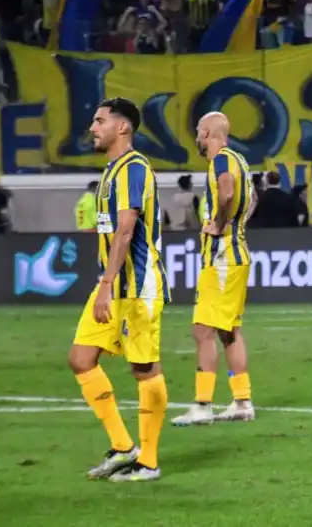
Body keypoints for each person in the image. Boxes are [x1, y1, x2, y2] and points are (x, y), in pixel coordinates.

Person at [68, 97, 170, 482]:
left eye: (99, 121)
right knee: (81, 358)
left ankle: (149, 462)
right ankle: (124, 447)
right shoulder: (112, 171)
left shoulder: (133, 168)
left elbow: (126, 230)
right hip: (112, 285)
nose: (92, 127)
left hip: (137, 287)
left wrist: (107, 284)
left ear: (122, 127)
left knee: (144, 369)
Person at [172, 112, 258, 426]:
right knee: (228, 331)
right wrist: (237, 224)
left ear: (207, 132)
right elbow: (252, 200)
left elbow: (227, 192)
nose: (196, 136)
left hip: (223, 257)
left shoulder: (221, 159)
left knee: (202, 330)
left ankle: (203, 404)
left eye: (197, 130)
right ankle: (242, 401)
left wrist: (220, 224)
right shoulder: (241, 161)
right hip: (235, 254)